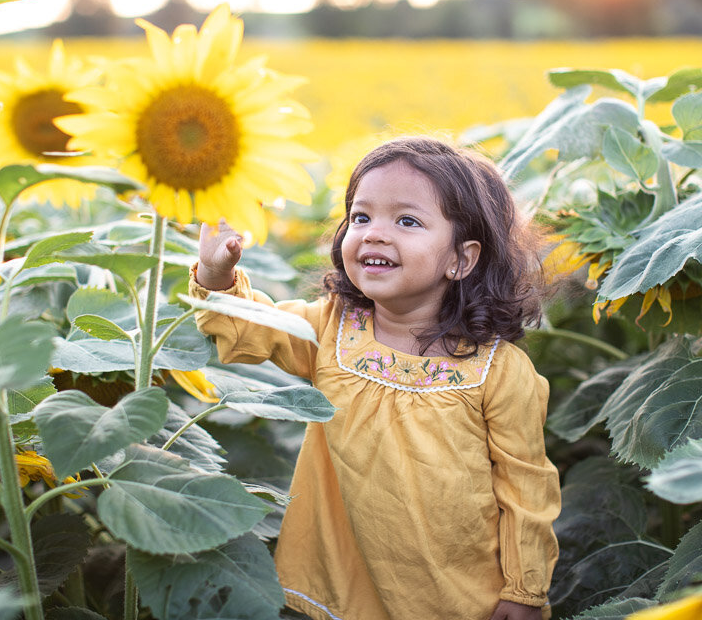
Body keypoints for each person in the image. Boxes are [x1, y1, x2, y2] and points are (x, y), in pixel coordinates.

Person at [191, 136, 560, 620]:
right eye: (362, 217)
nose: (374, 234)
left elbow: (525, 488)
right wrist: (217, 275)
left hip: (453, 589)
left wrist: (524, 588)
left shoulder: (498, 370)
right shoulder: (333, 328)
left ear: (462, 259)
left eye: (407, 221)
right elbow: (249, 330)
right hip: (341, 575)